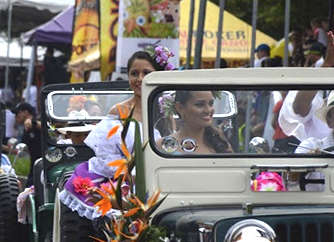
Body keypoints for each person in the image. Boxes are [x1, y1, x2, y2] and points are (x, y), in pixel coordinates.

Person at [60, 46, 174, 220]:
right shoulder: (119, 111)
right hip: (125, 182)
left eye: (146, 73)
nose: (140, 79)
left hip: (159, 181)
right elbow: (107, 156)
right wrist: (132, 178)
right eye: (134, 74)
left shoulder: (166, 113)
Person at [156, 90, 233, 154]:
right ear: (180, 108)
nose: (208, 110)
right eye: (200, 105)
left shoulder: (222, 146)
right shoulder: (160, 146)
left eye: (211, 104)